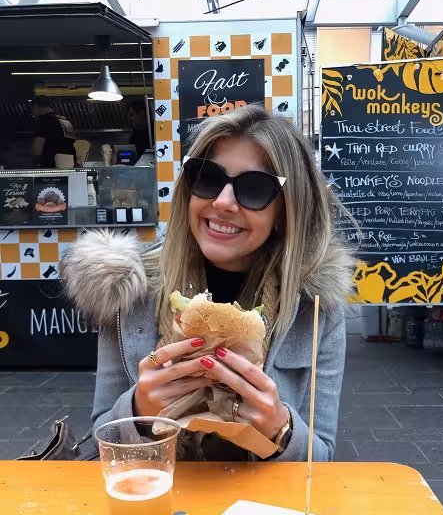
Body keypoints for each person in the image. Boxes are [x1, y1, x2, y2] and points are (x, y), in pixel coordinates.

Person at [62, 105, 353, 461]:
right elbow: (100, 446)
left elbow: (321, 460)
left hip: (262, 499)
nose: (223, 202)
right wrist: (139, 410)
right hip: (159, 492)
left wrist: (281, 429)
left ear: (286, 211)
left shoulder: (315, 307)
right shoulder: (127, 289)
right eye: (207, 177)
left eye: (254, 188)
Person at [31, 98, 77, 168]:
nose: (33, 114)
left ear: (36, 107)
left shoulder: (42, 121)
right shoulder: (65, 121)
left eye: (32, 112)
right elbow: (72, 144)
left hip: (51, 168)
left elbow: (37, 152)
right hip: (70, 166)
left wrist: (33, 162)